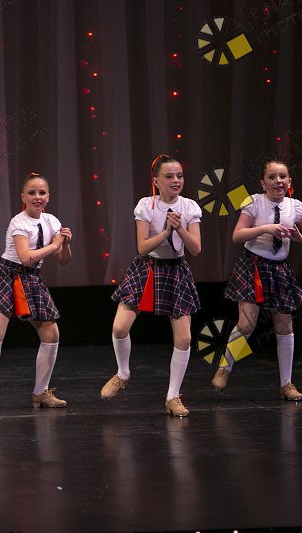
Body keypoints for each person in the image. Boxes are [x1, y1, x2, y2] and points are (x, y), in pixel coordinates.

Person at [211, 160, 302, 400]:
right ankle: (225, 367)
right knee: (247, 324)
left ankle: (287, 383)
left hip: (279, 268)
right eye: (272, 177)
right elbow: (237, 235)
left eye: (282, 176)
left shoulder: (294, 207)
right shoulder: (254, 202)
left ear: (289, 181)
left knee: (284, 325)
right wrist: (266, 228)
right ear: (263, 183)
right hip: (253, 266)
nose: (278, 181)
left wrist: (300, 239)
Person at [100, 154, 202, 417]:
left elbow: (196, 248)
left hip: (176, 271)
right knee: (120, 327)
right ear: (156, 181)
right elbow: (143, 247)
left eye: (179, 175)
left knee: (184, 338)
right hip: (148, 268)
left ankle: (173, 396)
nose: (176, 180)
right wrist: (166, 232)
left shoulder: (190, 207)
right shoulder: (147, 205)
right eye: (169, 176)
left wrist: (180, 229)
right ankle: (123, 373)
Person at [0, 172, 73, 408]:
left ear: (48, 196)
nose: (37, 197)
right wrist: (55, 245)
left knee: (51, 335)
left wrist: (65, 245)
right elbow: (26, 257)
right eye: (32, 193)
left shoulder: (52, 221)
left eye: (41, 193)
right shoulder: (18, 222)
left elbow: (63, 260)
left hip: (32, 278)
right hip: (9, 274)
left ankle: (41, 392)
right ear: (23, 197)